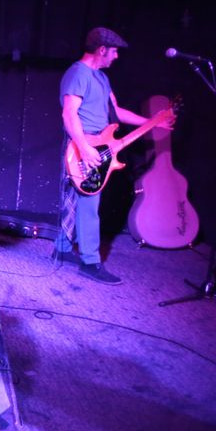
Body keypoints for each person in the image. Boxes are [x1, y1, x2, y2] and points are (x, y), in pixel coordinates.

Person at [53, 27, 174, 285]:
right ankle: (90, 262)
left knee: (77, 200)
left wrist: (152, 122)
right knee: (89, 203)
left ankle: (61, 249)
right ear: (102, 50)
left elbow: (116, 111)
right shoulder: (77, 74)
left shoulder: (102, 78)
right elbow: (69, 114)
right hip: (82, 145)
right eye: (115, 51)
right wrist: (84, 147)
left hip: (100, 143)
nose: (117, 56)